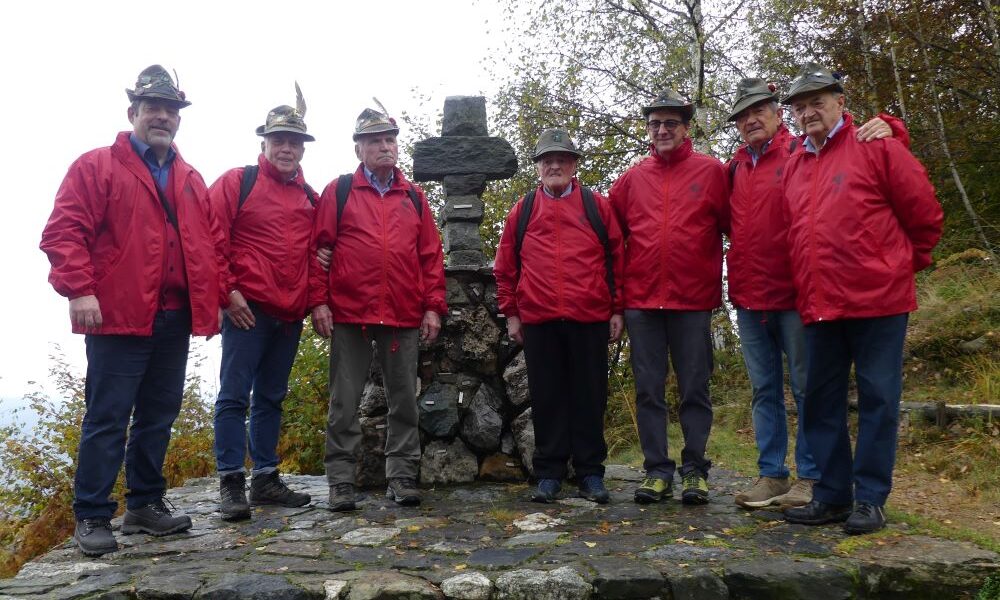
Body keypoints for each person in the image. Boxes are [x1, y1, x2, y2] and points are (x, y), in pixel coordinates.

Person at [40, 65, 223, 556]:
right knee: (107, 416)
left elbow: (208, 246)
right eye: (153, 108)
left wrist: (214, 301)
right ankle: (93, 515)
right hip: (117, 316)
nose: (162, 117)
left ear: (179, 119)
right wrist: (80, 290)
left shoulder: (190, 178)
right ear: (133, 113)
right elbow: (63, 232)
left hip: (175, 316)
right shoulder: (96, 165)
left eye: (171, 110)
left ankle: (144, 505)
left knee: (159, 415)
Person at [778, 63, 943, 534]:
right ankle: (831, 495)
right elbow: (794, 231)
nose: (808, 112)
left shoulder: (877, 145)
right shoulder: (795, 162)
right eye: (800, 106)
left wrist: (899, 264)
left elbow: (925, 214)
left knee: (878, 399)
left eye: (818, 102)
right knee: (819, 401)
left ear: (840, 104)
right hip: (819, 302)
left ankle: (870, 498)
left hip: (879, 301)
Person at [726, 78, 905, 509]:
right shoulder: (731, 169)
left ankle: (811, 476)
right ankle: (772, 474)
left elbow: (865, 155)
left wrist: (893, 127)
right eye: (742, 116)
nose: (751, 120)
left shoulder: (799, 151)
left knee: (809, 389)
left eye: (759, 111)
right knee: (764, 390)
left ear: (775, 113)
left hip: (797, 295)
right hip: (750, 298)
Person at [309, 105, 447, 511]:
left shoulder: (414, 198)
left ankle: (402, 476)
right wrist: (319, 302)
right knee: (344, 400)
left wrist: (433, 307)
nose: (385, 147)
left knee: (404, 399)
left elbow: (430, 258)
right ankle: (340, 481)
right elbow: (319, 250)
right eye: (375, 141)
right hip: (350, 312)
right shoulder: (340, 191)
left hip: (403, 313)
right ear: (359, 149)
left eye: (390, 140)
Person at [608, 90, 729, 505]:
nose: (662, 130)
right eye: (655, 123)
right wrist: (616, 302)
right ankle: (657, 470)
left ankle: (695, 469)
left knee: (695, 388)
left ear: (685, 128)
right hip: (642, 303)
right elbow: (610, 240)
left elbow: (739, 228)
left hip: (693, 301)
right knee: (649, 390)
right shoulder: (631, 179)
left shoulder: (712, 173)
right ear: (648, 130)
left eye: (670, 123)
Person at [494, 128, 625, 504]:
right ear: (537, 167)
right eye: (547, 159)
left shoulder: (596, 206)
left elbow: (618, 260)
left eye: (562, 159)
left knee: (590, 396)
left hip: (589, 317)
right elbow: (506, 268)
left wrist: (617, 309)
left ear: (574, 165)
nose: (554, 165)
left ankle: (590, 473)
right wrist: (512, 315)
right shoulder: (522, 211)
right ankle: (549, 472)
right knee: (547, 397)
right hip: (539, 319)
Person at [207, 88, 318, 521]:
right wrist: (228, 293)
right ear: (264, 145)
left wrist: (312, 297)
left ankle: (266, 479)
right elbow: (209, 240)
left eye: (294, 142)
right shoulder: (238, 182)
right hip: (246, 310)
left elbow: (318, 250)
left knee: (271, 396)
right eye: (279, 141)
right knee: (234, 396)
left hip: (289, 314)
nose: (287, 148)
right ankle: (231, 481)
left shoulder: (310, 196)